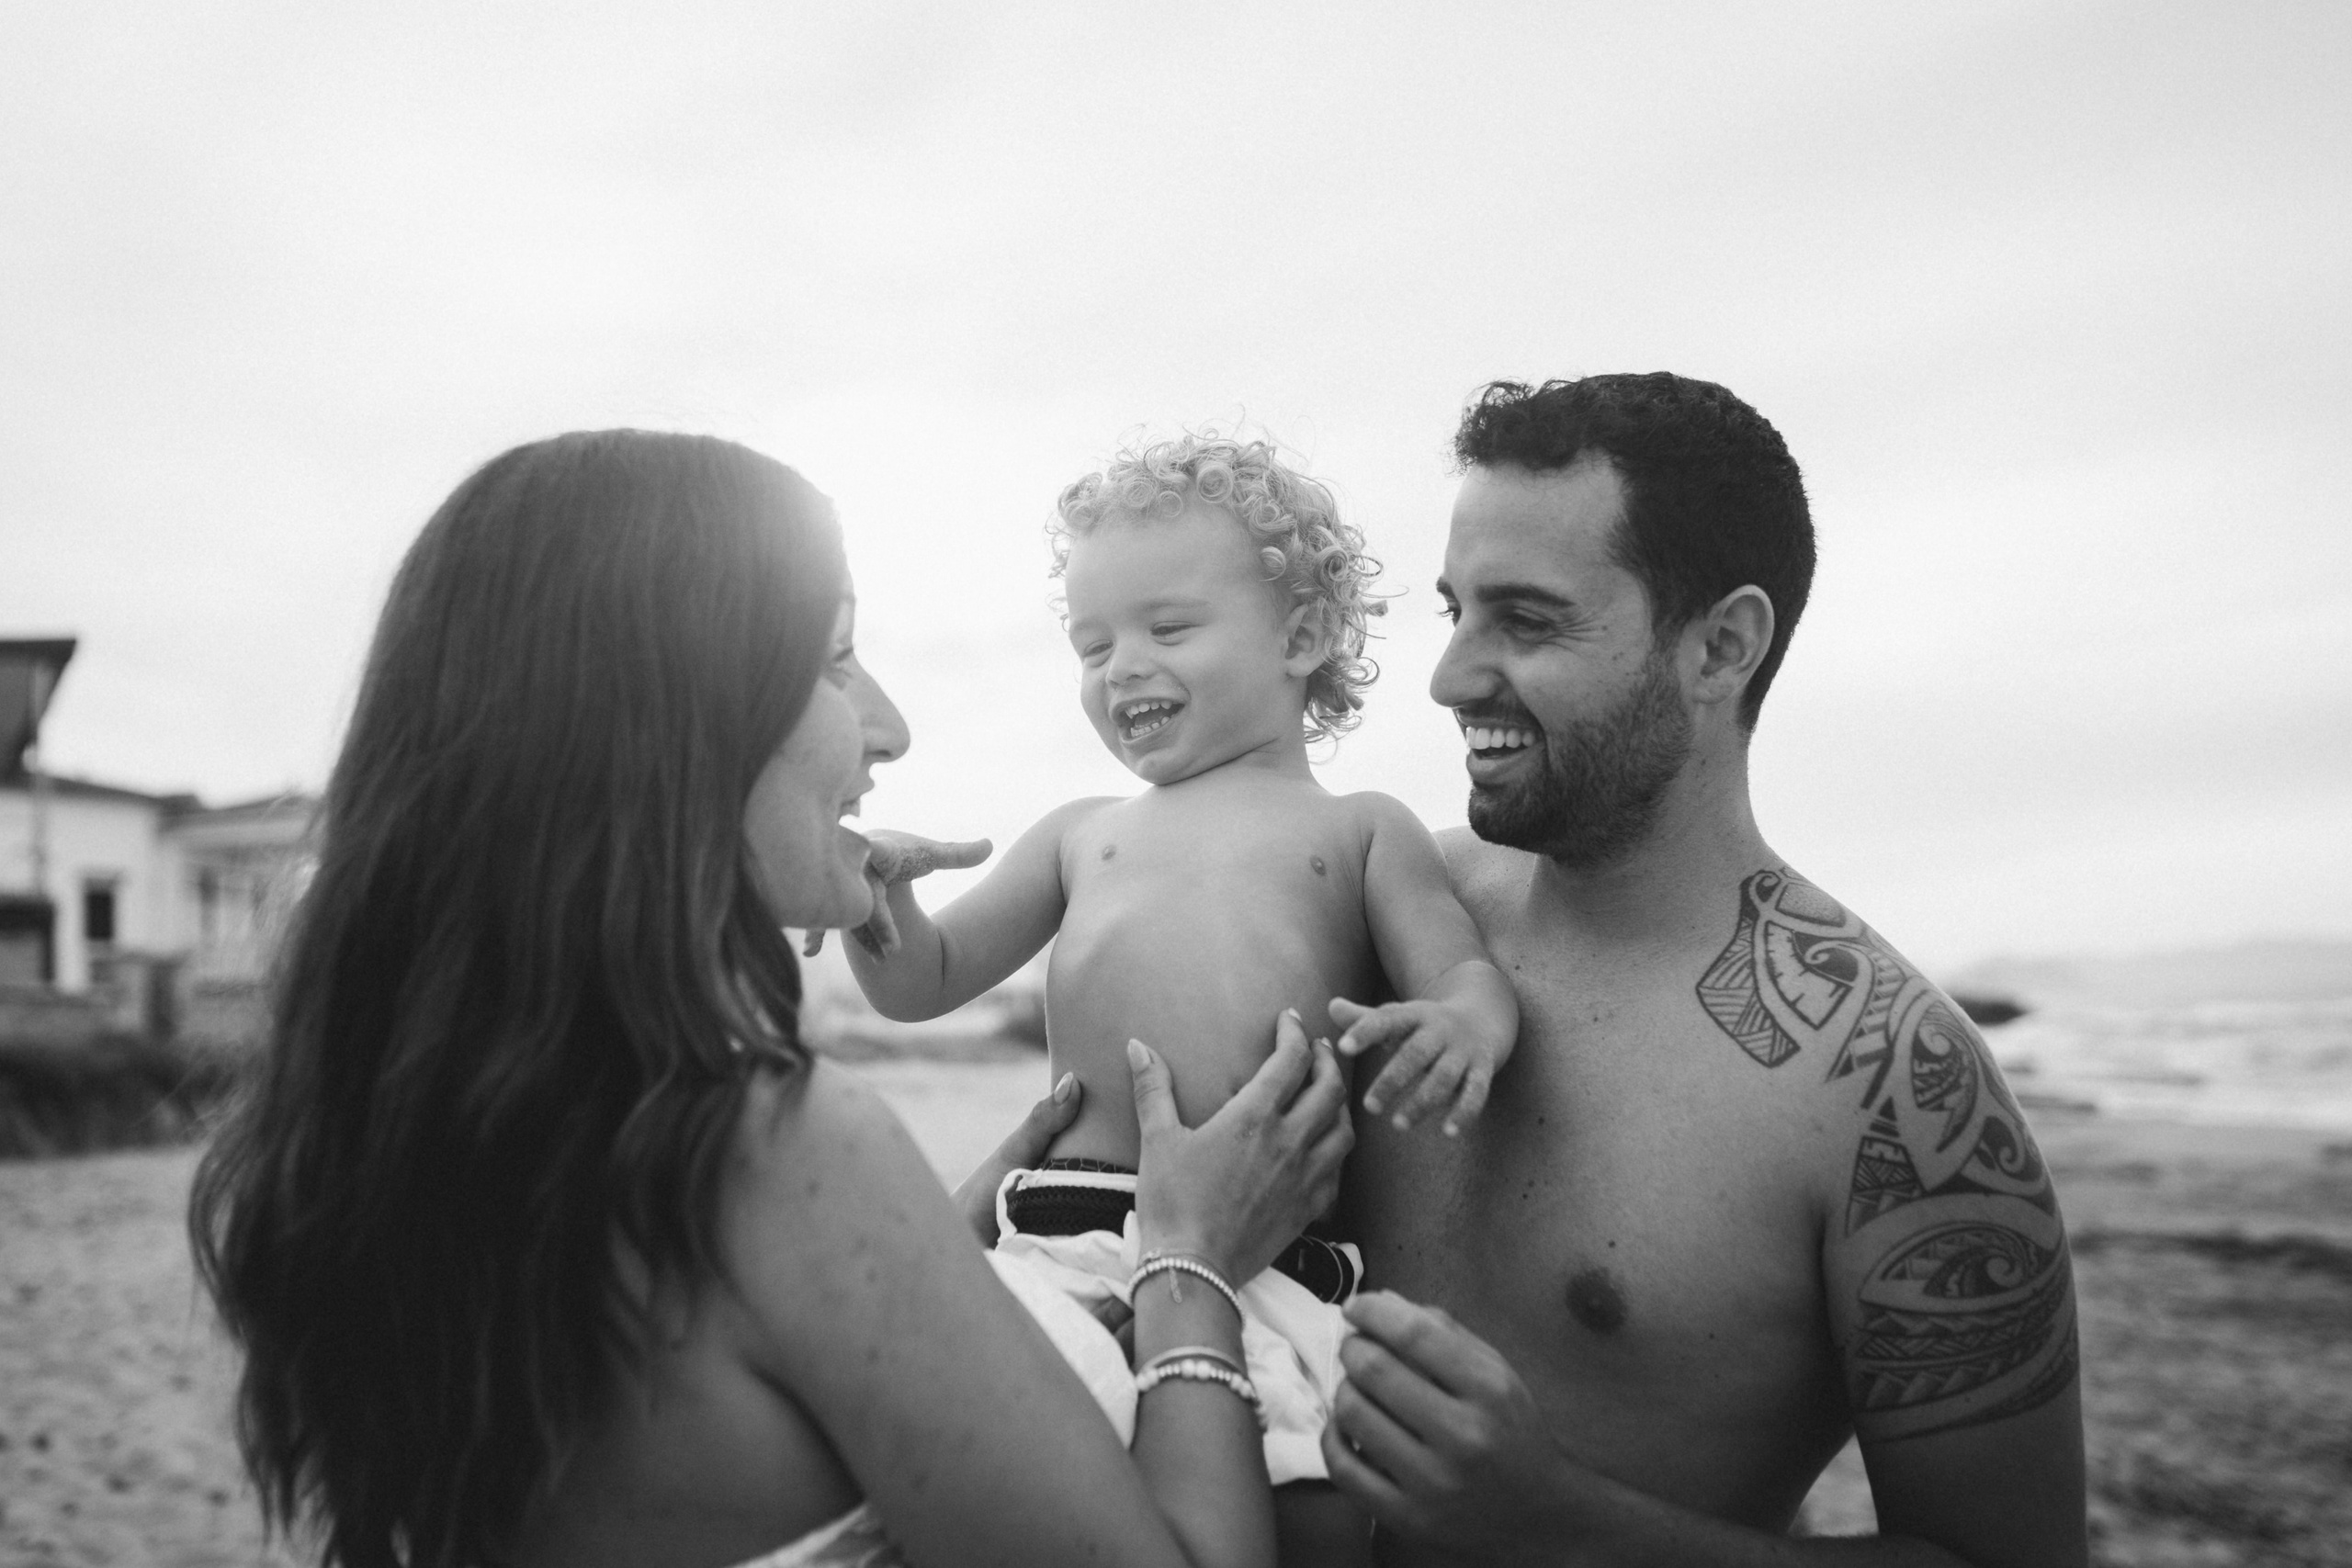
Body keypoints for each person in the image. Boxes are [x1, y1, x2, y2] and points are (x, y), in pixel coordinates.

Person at [187, 430, 1354, 1568]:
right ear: (671, 715)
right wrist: (1191, 1262)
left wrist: (932, 1244)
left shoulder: (423, 1156)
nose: (887, 727)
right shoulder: (772, 1152)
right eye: (835, 659)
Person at [1323, 376, 2089, 1567]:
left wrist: (1555, 1519)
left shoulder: (1887, 1083)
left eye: (1525, 620)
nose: (1451, 675)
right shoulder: (1393, 904)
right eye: (1455, 611)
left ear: (1721, 645)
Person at [830, 434, 1518, 1555]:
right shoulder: (1079, 837)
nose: (1120, 667)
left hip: (1270, 1261)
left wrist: (1457, 1027)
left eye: (1168, 628)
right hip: (1056, 1237)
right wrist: (878, 903)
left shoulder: (1358, 832)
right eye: (1092, 643)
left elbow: (1462, 974)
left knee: (1316, 1502)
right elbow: (923, 983)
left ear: (1299, 637)